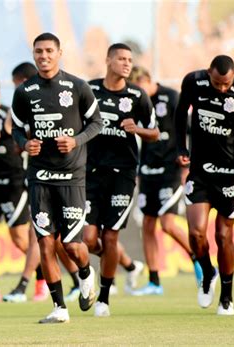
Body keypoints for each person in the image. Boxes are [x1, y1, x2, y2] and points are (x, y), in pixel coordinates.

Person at [12, 32, 102, 323]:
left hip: (72, 178)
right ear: (34, 54)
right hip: (39, 178)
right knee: (46, 243)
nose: (43, 56)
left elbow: (97, 123)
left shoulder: (77, 86)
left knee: (72, 245)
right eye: (38, 51)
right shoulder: (24, 92)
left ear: (59, 52)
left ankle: (87, 273)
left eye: (49, 50)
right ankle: (59, 308)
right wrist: (25, 144)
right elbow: (14, 129)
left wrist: (76, 140)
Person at [175, 55, 234, 315]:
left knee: (224, 235)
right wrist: (181, 148)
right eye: (217, 83)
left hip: (231, 174)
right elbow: (180, 114)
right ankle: (207, 271)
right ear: (208, 72)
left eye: (226, 83)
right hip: (200, 172)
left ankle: (226, 297)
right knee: (197, 234)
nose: (222, 88)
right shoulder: (193, 81)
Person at [84, 43, 159, 317]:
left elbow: (155, 133)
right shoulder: (88, 90)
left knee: (111, 235)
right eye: (121, 59)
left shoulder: (137, 95)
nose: (127, 63)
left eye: (129, 59)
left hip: (123, 174)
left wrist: (137, 129)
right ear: (108, 60)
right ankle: (123, 264)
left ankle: (103, 297)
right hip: (90, 173)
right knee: (89, 239)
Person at [0, 75, 46, 303]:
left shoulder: (8, 116)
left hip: (13, 186)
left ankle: (43, 280)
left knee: (20, 240)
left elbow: (25, 139)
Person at [128, 66, 203, 295]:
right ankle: (154, 282)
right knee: (148, 226)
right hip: (147, 171)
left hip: (171, 169)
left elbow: (191, 129)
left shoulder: (171, 97)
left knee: (168, 224)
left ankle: (200, 261)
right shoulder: (137, 103)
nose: (138, 92)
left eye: (139, 86)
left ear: (148, 80)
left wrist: (187, 164)